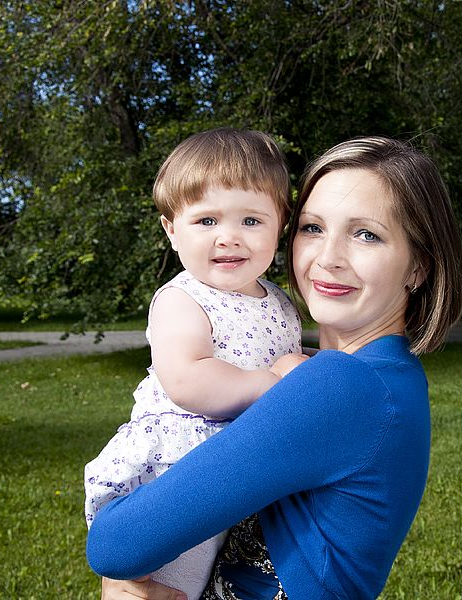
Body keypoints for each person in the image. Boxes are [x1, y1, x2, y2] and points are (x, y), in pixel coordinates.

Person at [86, 135, 462, 600]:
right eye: (312, 228)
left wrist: (125, 580)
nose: (328, 258)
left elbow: (115, 546)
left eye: (366, 234)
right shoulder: (391, 376)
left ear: (418, 267)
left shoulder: (338, 386)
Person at [83, 128, 306, 600]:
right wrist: (273, 384)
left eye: (251, 220)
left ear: (279, 224)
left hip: (242, 463)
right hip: (181, 466)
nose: (229, 237)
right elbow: (188, 378)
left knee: (220, 582)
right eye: (206, 221)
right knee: (164, 586)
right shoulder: (182, 299)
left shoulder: (280, 302)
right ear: (171, 229)